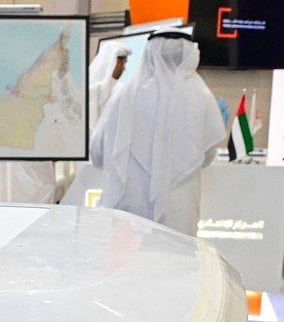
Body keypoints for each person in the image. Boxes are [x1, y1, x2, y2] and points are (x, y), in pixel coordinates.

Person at [89, 31, 226, 236]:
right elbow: (207, 156)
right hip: (179, 208)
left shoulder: (125, 96)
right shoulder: (201, 96)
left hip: (128, 205)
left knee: (128, 265)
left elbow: (97, 152)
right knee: (176, 262)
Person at [88, 41, 130, 132]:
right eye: (124, 63)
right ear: (117, 62)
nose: (124, 68)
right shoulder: (92, 91)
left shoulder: (119, 89)